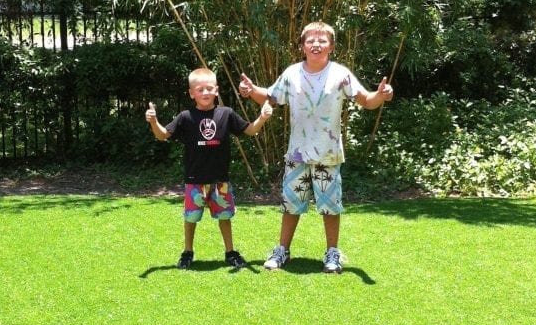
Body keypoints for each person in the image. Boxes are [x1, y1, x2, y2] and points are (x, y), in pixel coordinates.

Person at [238, 21, 393, 274]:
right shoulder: (291, 73)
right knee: (291, 205)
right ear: (302, 46)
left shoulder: (340, 74)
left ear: (331, 46)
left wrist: (382, 95)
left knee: (330, 208)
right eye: (310, 40)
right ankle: (282, 250)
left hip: (328, 155)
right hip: (297, 154)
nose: (316, 44)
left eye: (322, 40)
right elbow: (271, 98)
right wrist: (251, 90)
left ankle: (333, 253)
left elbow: (366, 100)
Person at [146, 67, 272, 270]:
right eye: (200, 89)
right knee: (191, 218)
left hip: (220, 180)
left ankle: (230, 252)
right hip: (194, 180)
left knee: (225, 217)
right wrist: (153, 121)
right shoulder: (185, 117)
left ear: (217, 90)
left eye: (209, 88)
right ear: (191, 93)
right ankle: (187, 252)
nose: (205, 93)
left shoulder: (226, 113)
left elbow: (250, 130)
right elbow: (162, 135)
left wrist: (263, 118)